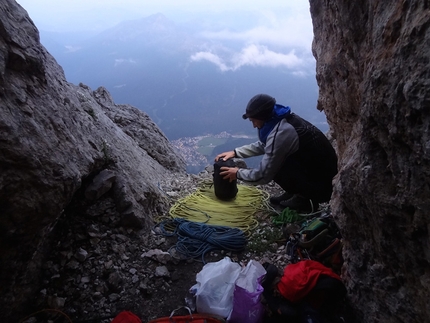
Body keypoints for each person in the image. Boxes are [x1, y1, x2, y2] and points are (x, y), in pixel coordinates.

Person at [215, 94, 338, 213]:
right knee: (279, 160)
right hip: (321, 174)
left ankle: (305, 200)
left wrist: (237, 173)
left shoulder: (282, 132)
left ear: (263, 116)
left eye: (254, 121)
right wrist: (235, 152)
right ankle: (296, 192)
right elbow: (267, 145)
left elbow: (264, 175)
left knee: (276, 165)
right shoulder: (280, 120)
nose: (253, 125)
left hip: (324, 187)